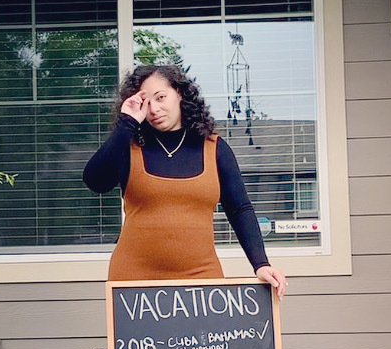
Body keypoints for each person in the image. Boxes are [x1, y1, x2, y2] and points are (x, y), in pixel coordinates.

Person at [83, 64, 287, 299]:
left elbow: (239, 209)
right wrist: (126, 123)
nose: (155, 109)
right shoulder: (129, 149)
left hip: (201, 279)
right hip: (133, 282)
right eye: (146, 103)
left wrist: (260, 264)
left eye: (161, 97)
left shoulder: (215, 149)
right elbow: (96, 182)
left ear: (179, 93)